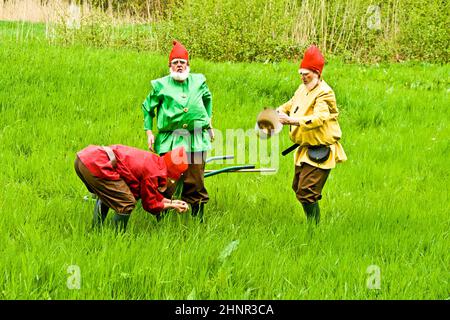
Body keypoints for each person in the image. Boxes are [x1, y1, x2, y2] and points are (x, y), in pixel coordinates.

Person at [142, 40, 214, 222]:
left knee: (195, 179)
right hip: (170, 139)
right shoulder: (161, 85)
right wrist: (149, 132)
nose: (179, 65)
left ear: (188, 65)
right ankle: (162, 218)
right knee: (166, 180)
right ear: (170, 66)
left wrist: (209, 122)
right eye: (175, 62)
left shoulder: (199, 81)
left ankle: (199, 220)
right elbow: (147, 108)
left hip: (196, 137)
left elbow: (208, 99)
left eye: (182, 62)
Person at [277, 45, 347, 224]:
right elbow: (293, 103)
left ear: (317, 73)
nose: (303, 77)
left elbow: (319, 118)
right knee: (298, 188)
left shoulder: (325, 93)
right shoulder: (303, 88)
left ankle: (314, 228)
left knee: (307, 191)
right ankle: (312, 224)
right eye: (301, 73)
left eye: (306, 74)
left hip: (320, 149)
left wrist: (291, 121)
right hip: (305, 149)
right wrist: (280, 110)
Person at [74, 144, 189, 231]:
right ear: (170, 175)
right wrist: (172, 205)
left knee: (109, 194)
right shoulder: (154, 173)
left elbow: (150, 194)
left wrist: (173, 203)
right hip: (97, 164)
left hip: (84, 159)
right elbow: (150, 205)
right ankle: (117, 239)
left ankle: (96, 230)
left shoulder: (154, 162)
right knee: (126, 203)